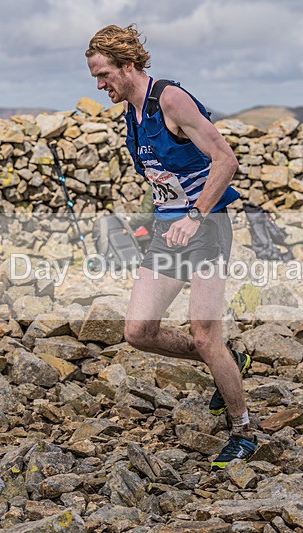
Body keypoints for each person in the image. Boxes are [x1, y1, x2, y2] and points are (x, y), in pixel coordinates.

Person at [86, 24, 257, 470]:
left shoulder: (171, 100)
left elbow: (226, 160)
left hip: (206, 227)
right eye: (95, 79)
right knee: (138, 332)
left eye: (104, 75)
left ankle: (243, 431)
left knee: (204, 335)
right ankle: (228, 360)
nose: (100, 85)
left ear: (128, 65)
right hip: (167, 232)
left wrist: (195, 214)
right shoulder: (132, 109)